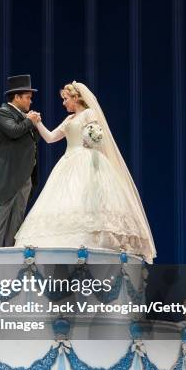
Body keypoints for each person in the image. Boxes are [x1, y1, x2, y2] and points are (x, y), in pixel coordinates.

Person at [14, 81, 156, 263]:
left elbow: (97, 135)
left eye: (65, 99)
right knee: (66, 200)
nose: (64, 103)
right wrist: (37, 122)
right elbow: (50, 138)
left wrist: (92, 138)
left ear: (76, 98)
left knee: (88, 197)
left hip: (87, 160)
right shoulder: (69, 119)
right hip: (68, 162)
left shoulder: (89, 113)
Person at [0, 75, 40, 248]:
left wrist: (33, 123)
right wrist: (30, 121)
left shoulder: (24, 115)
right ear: (16, 97)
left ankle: (11, 257)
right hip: (9, 175)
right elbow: (14, 131)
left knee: (17, 220)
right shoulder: (3, 112)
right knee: (1, 215)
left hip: (25, 176)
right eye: (27, 97)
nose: (30, 101)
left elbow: (33, 141)